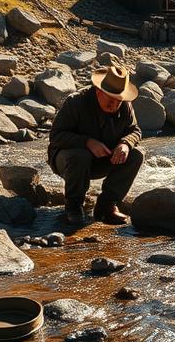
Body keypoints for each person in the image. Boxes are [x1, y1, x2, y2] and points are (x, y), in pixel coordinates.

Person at [47, 63, 143, 225]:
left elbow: (135, 131)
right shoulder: (76, 102)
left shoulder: (124, 105)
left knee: (136, 154)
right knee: (80, 155)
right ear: (99, 91)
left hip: (104, 159)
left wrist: (125, 143)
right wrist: (87, 142)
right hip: (67, 160)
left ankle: (106, 206)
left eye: (118, 101)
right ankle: (73, 206)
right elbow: (56, 136)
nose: (114, 104)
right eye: (110, 99)